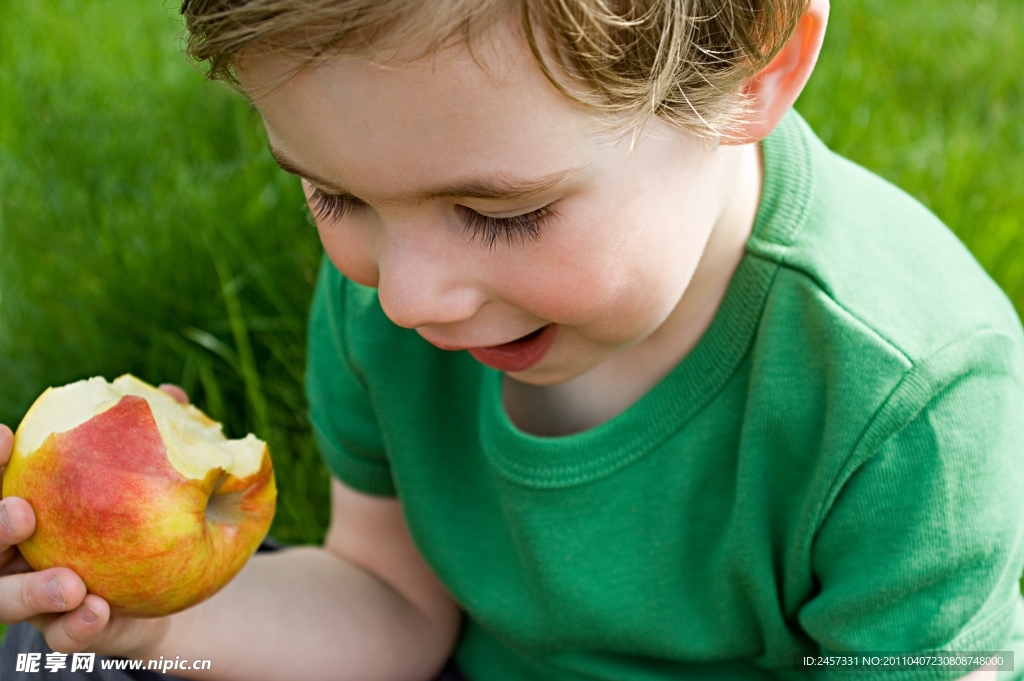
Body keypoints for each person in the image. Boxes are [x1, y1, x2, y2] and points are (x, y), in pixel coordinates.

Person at [2, 0, 1023, 679]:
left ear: (751, 71)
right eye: (333, 194)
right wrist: (160, 626)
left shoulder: (910, 401)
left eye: (501, 215)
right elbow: (390, 603)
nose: (406, 298)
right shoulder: (392, 290)